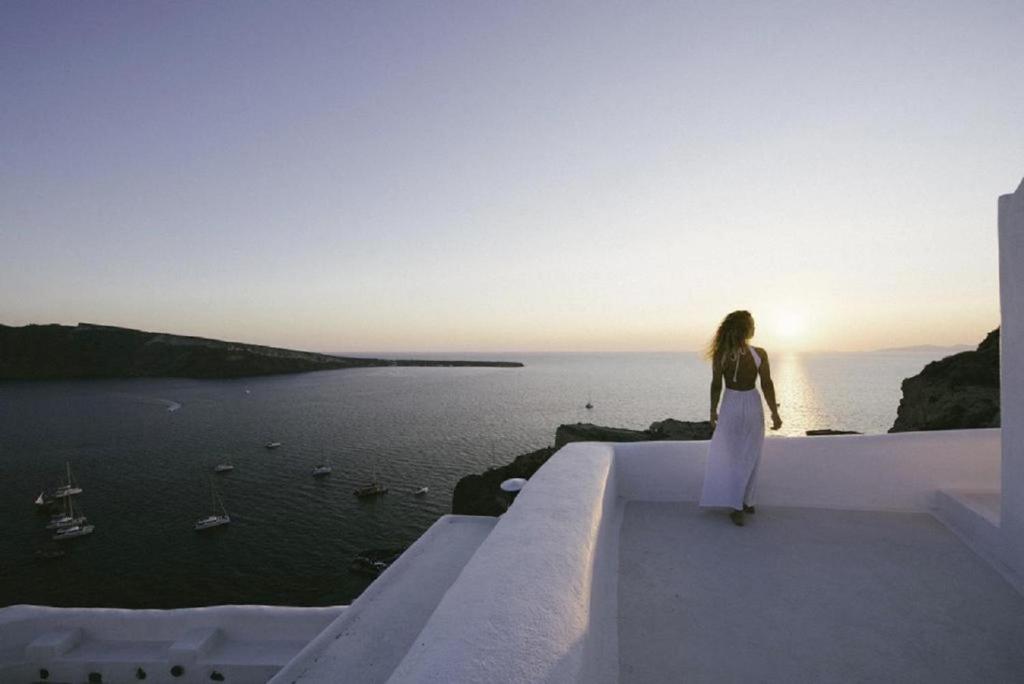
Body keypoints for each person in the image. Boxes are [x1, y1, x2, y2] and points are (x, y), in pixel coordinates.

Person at [698, 310, 782, 526]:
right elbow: (766, 384)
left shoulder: (721, 354)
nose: (755, 328)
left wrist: (712, 411)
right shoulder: (759, 353)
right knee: (751, 454)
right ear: (745, 329)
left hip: (731, 404)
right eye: (753, 324)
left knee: (733, 455)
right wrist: (774, 412)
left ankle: (741, 502)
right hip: (752, 403)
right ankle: (744, 503)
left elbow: (716, 385)